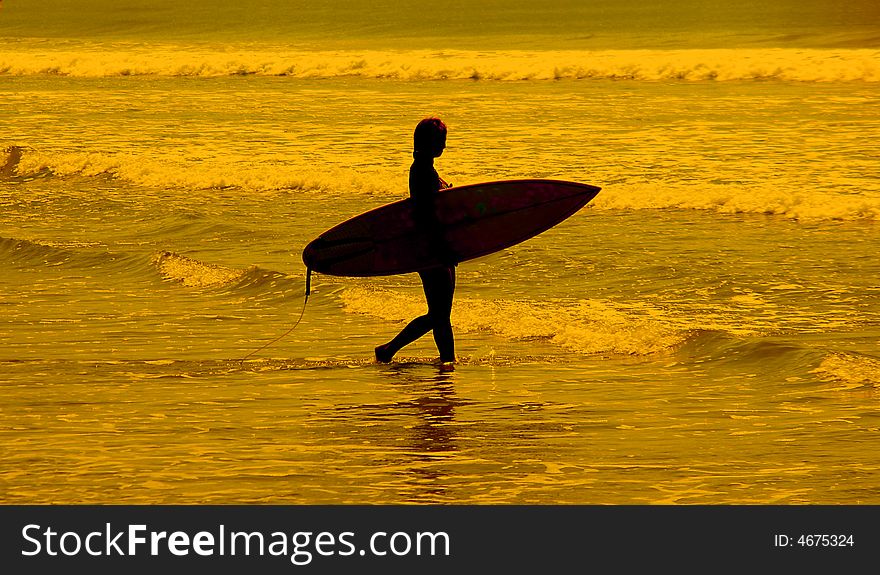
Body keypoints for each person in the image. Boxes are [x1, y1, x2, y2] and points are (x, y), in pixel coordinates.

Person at [375, 117, 457, 367]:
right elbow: (427, 212)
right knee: (439, 314)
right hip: (431, 249)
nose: (443, 145)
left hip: (437, 248)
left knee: (441, 314)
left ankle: (447, 361)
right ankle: (389, 349)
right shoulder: (421, 169)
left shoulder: (425, 167)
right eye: (440, 141)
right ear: (427, 142)